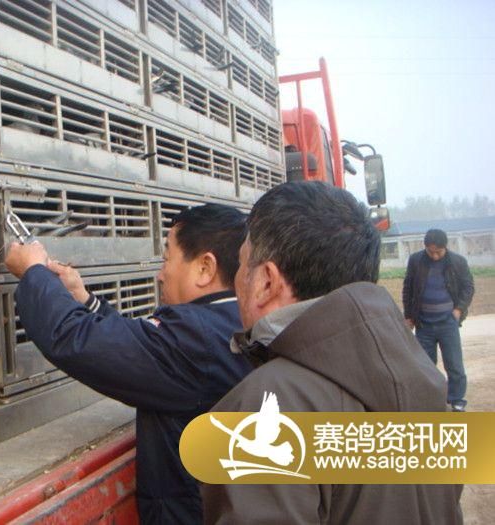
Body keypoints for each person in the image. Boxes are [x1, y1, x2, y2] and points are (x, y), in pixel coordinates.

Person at [202, 182, 462, 525]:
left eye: (240, 264)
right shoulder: (426, 382)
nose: (236, 279)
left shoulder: (269, 409)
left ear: (266, 281)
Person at [5, 204, 253, 524]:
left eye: (167, 259)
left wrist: (33, 272)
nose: (160, 274)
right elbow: (141, 347)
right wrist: (84, 299)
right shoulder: (230, 322)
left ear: (205, 268)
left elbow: (74, 339)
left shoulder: (197, 340)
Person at [402, 229, 475, 412]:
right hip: (423, 324)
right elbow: (408, 288)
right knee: (425, 365)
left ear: (445, 247)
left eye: (438, 252)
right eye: (430, 251)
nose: (434, 256)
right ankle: (429, 399)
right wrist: (409, 316)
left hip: (447, 323)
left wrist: (458, 310)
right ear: (425, 247)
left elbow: (468, 287)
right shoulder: (416, 261)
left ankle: (456, 400)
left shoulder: (457, 262)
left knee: (454, 365)